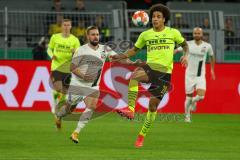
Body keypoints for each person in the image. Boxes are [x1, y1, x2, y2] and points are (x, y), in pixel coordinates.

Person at [111, 4, 189, 148]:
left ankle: (141, 135)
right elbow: (133, 51)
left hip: (164, 74)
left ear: (164, 19)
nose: (155, 19)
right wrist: (118, 56)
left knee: (152, 107)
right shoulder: (145, 35)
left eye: (158, 17)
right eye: (153, 16)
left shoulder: (173, 33)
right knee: (134, 76)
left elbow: (185, 45)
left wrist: (186, 55)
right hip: (150, 67)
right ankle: (131, 110)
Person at [55, 26, 119, 143]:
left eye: (97, 34)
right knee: (69, 110)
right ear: (88, 36)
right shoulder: (81, 50)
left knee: (92, 106)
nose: (96, 36)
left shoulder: (105, 49)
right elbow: (72, 68)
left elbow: (118, 58)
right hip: (77, 85)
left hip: (93, 86)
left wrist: (132, 60)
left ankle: (75, 133)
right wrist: (84, 76)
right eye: (93, 34)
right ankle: (59, 115)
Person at [176, 27, 215, 123]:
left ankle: (193, 102)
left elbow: (212, 57)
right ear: (193, 34)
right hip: (189, 74)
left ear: (202, 35)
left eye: (198, 33)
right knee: (188, 97)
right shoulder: (188, 44)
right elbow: (176, 50)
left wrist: (212, 70)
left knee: (201, 96)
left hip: (200, 74)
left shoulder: (207, 46)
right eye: (195, 33)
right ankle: (187, 116)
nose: (197, 35)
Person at [47, 18, 80, 126]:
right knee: (57, 88)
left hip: (68, 69)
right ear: (61, 26)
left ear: (71, 27)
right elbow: (49, 49)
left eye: (68, 25)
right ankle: (55, 105)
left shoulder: (74, 40)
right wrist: (52, 56)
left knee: (64, 93)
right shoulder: (55, 37)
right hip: (56, 67)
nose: (66, 27)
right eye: (64, 25)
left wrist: (75, 52)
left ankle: (59, 114)